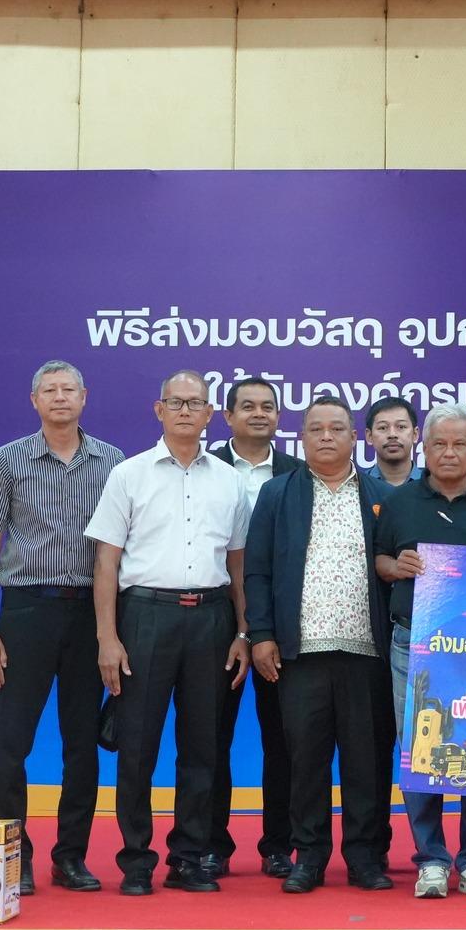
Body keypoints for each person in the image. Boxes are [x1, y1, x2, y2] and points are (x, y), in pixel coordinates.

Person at [85, 369, 251, 897]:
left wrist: (243, 631)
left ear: (209, 415)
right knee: (137, 746)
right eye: (175, 402)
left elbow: (238, 564)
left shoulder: (229, 480)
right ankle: (136, 860)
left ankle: (189, 858)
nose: (185, 411)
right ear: (158, 410)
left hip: (211, 619)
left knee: (203, 746)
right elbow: (106, 563)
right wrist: (107, 638)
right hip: (145, 617)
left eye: (195, 403)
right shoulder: (128, 474)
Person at [0, 360, 123, 897]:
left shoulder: (113, 463)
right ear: (34, 400)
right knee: (12, 741)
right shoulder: (7, 460)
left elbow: (117, 552)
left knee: (81, 743)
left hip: (89, 615)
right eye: (49, 390)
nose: (59, 397)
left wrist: (110, 632)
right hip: (26, 613)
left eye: (68, 389)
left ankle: (71, 857)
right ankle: (16, 856)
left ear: (84, 397)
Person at [243, 396, 394, 893]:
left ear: (355, 438)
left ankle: (365, 858)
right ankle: (308, 856)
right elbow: (257, 570)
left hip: (367, 652)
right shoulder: (277, 494)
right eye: (316, 429)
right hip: (300, 653)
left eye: (337, 428)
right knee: (304, 760)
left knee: (366, 762)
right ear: (302, 438)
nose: (326, 436)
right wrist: (262, 634)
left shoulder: (381, 495)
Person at [373, 403, 466, 898]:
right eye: (439, 444)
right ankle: (431, 859)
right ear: (424, 448)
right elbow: (380, 561)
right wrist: (396, 566)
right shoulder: (399, 502)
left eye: (459, 444)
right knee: (419, 748)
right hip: (413, 641)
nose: (449, 452)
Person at [209, 376, 305, 879]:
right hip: (211, 617)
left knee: (282, 738)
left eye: (268, 406)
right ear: (228, 416)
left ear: (279, 417)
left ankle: (278, 845)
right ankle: (211, 844)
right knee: (210, 737)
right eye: (247, 406)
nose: (259, 413)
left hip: (276, 623)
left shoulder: (297, 474)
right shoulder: (203, 468)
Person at [361, 395, 424, 489]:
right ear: (369, 436)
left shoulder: (432, 485)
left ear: (415, 434)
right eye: (383, 428)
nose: (392, 434)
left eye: (401, 427)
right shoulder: (358, 486)